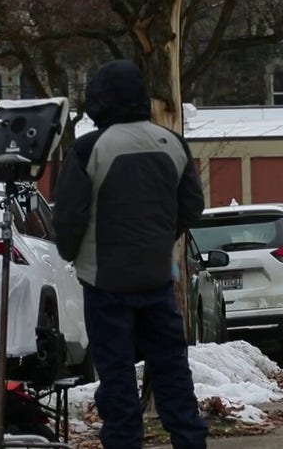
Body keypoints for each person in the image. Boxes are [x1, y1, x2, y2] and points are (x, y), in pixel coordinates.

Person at [52, 59, 207, 448]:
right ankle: (189, 438)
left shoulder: (90, 149)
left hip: (104, 282)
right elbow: (192, 206)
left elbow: (68, 216)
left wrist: (72, 254)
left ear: (98, 101)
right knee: (172, 370)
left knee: (117, 375)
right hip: (156, 277)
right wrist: (160, 238)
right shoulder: (172, 142)